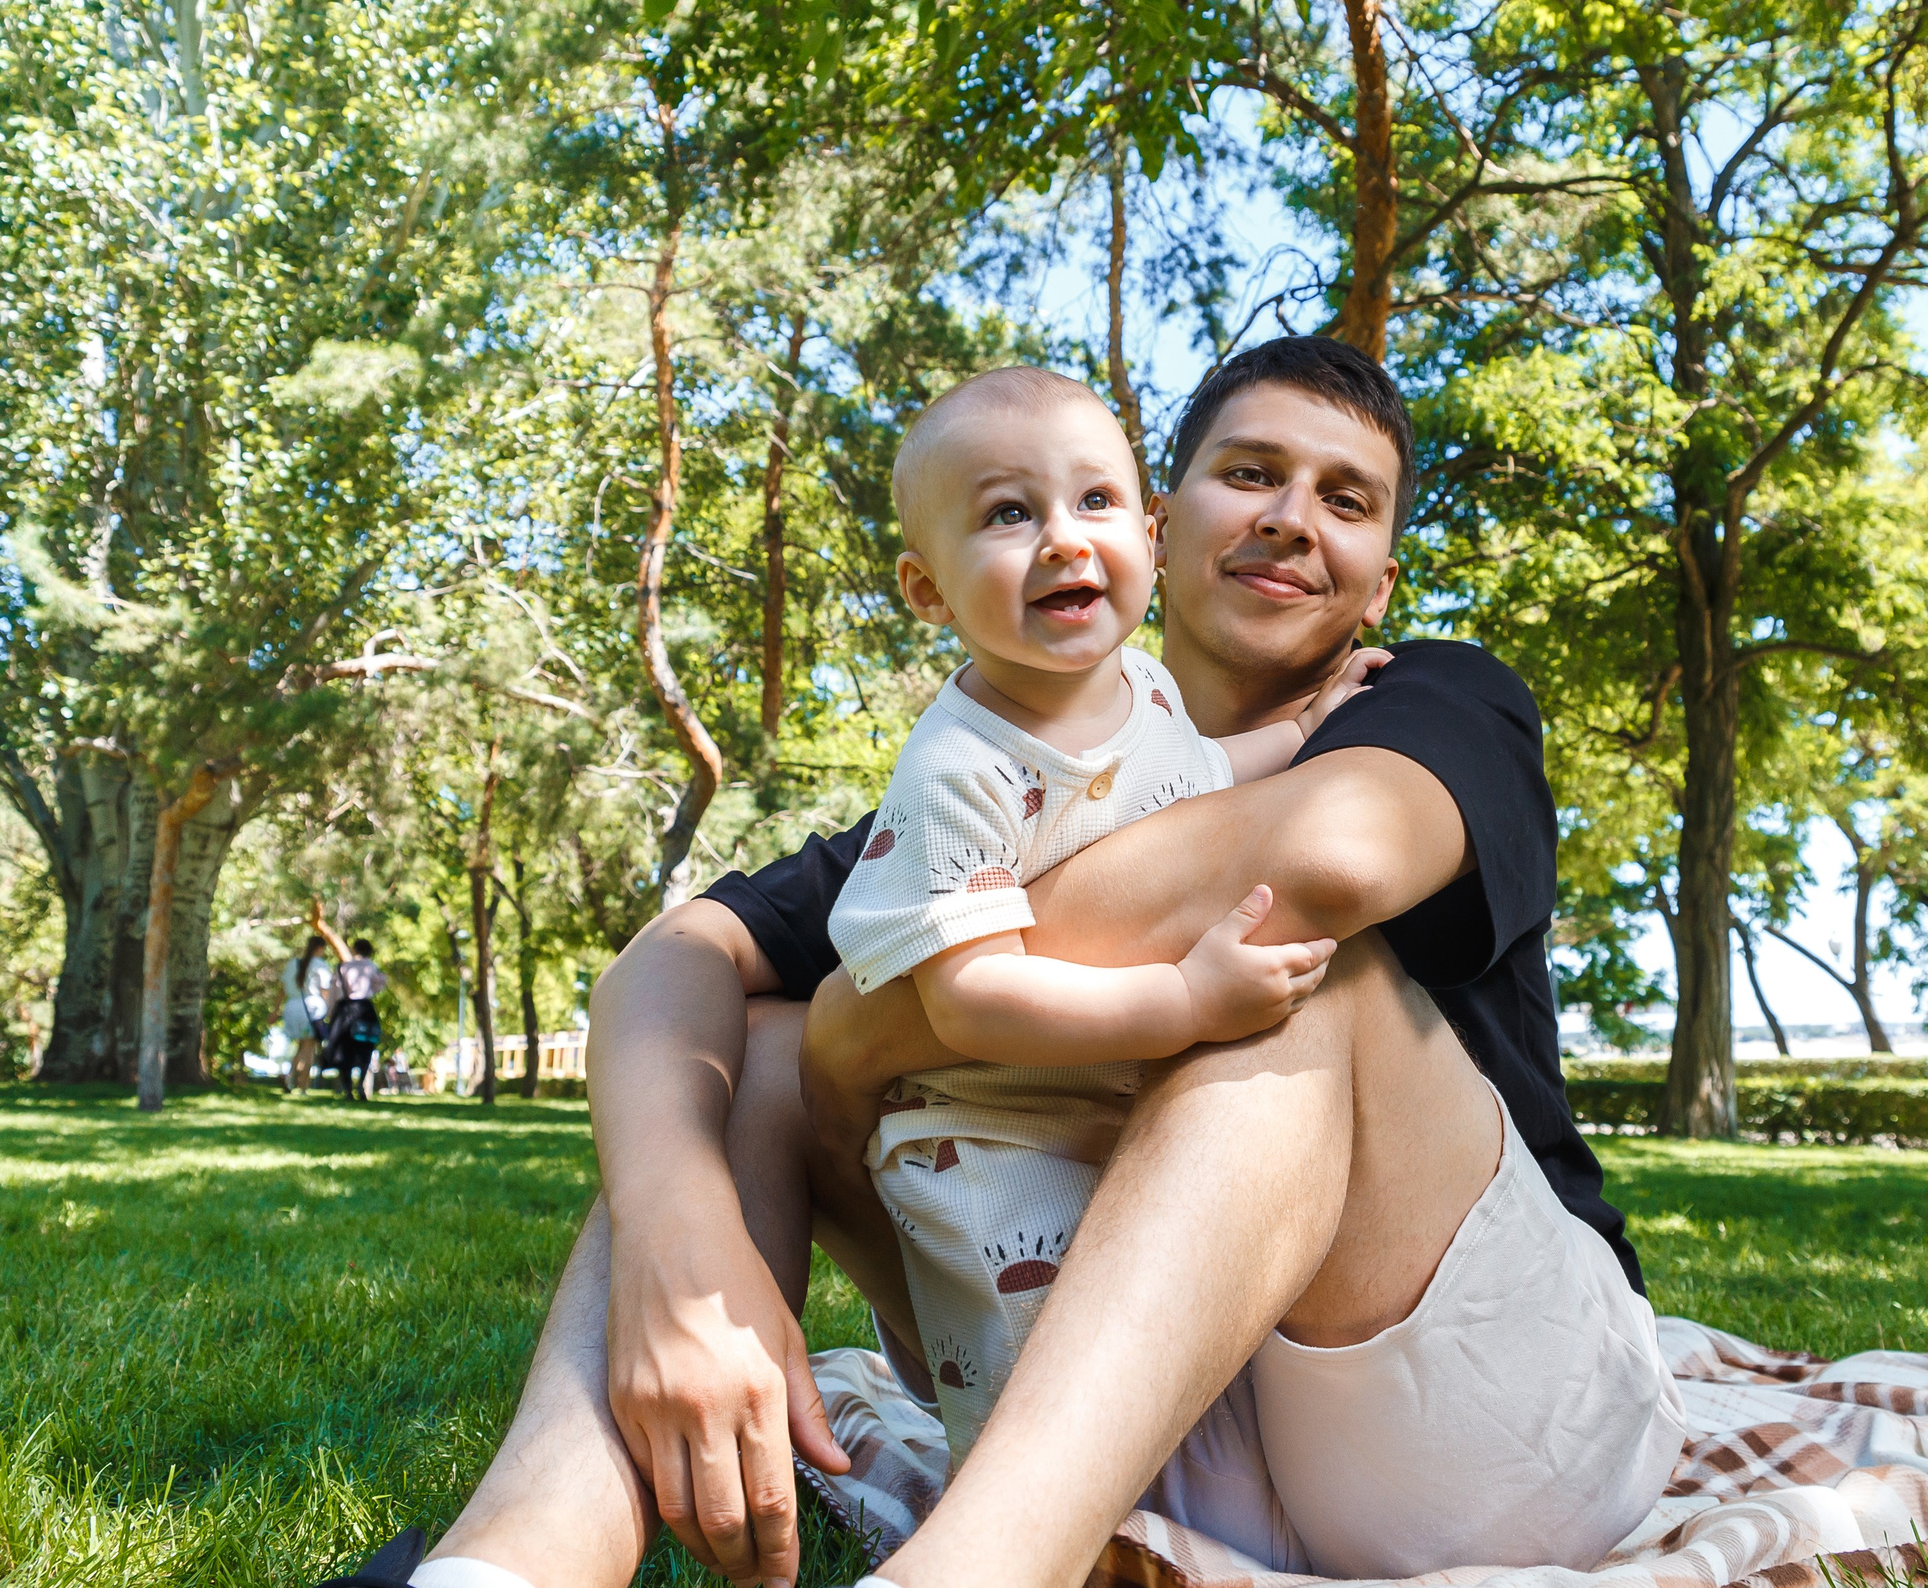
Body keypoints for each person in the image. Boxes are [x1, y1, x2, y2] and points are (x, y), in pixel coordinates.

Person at [342, 337, 1680, 1588]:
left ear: (1382, 576)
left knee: (1290, 970)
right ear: (1163, 520)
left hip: (1478, 1415)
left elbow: (1324, 856)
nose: (1293, 517)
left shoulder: (1432, 698)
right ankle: (512, 1557)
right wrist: (682, 1239)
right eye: (1253, 472)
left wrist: (869, 1027)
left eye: (1349, 497)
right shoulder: (1007, 771)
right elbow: (674, 956)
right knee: (745, 1047)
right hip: (1150, 1419)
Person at [816, 366, 1378, 1469]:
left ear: (1150, 533)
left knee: (1163, 1368)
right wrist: (1178, 999)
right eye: (1009, 514)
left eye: (1094, 503)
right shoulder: (958, 770)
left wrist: (1308, 730)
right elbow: (970, 999)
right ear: (927, 592)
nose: (1064, 542)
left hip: (1112, 1112)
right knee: (1040, 1417)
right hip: (991, 1148)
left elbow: (1201, 774)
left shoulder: (1147, 689)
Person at [329, 938, 387, 1102]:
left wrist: (331, 1013)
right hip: (365, 1010)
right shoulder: (372, 966)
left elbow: (336, 990)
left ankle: (348, 1088)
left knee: (344, 1048)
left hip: (346, 1010)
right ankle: (360, 1084)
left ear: (355, 949)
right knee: (366, 1047)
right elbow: (378, 985)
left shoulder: (343, 967)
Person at [280, 935, 336, 1092]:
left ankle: (291, 1078)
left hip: (292, 1007)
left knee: (301, 1046)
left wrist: (275, 1010)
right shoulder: (320, 965)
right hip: (312, 1008)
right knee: (308, 1048)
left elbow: (282, 989)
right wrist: (328, 1011)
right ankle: (301, 1085)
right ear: (320, 948)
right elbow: (325, 991)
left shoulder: (293, 963)